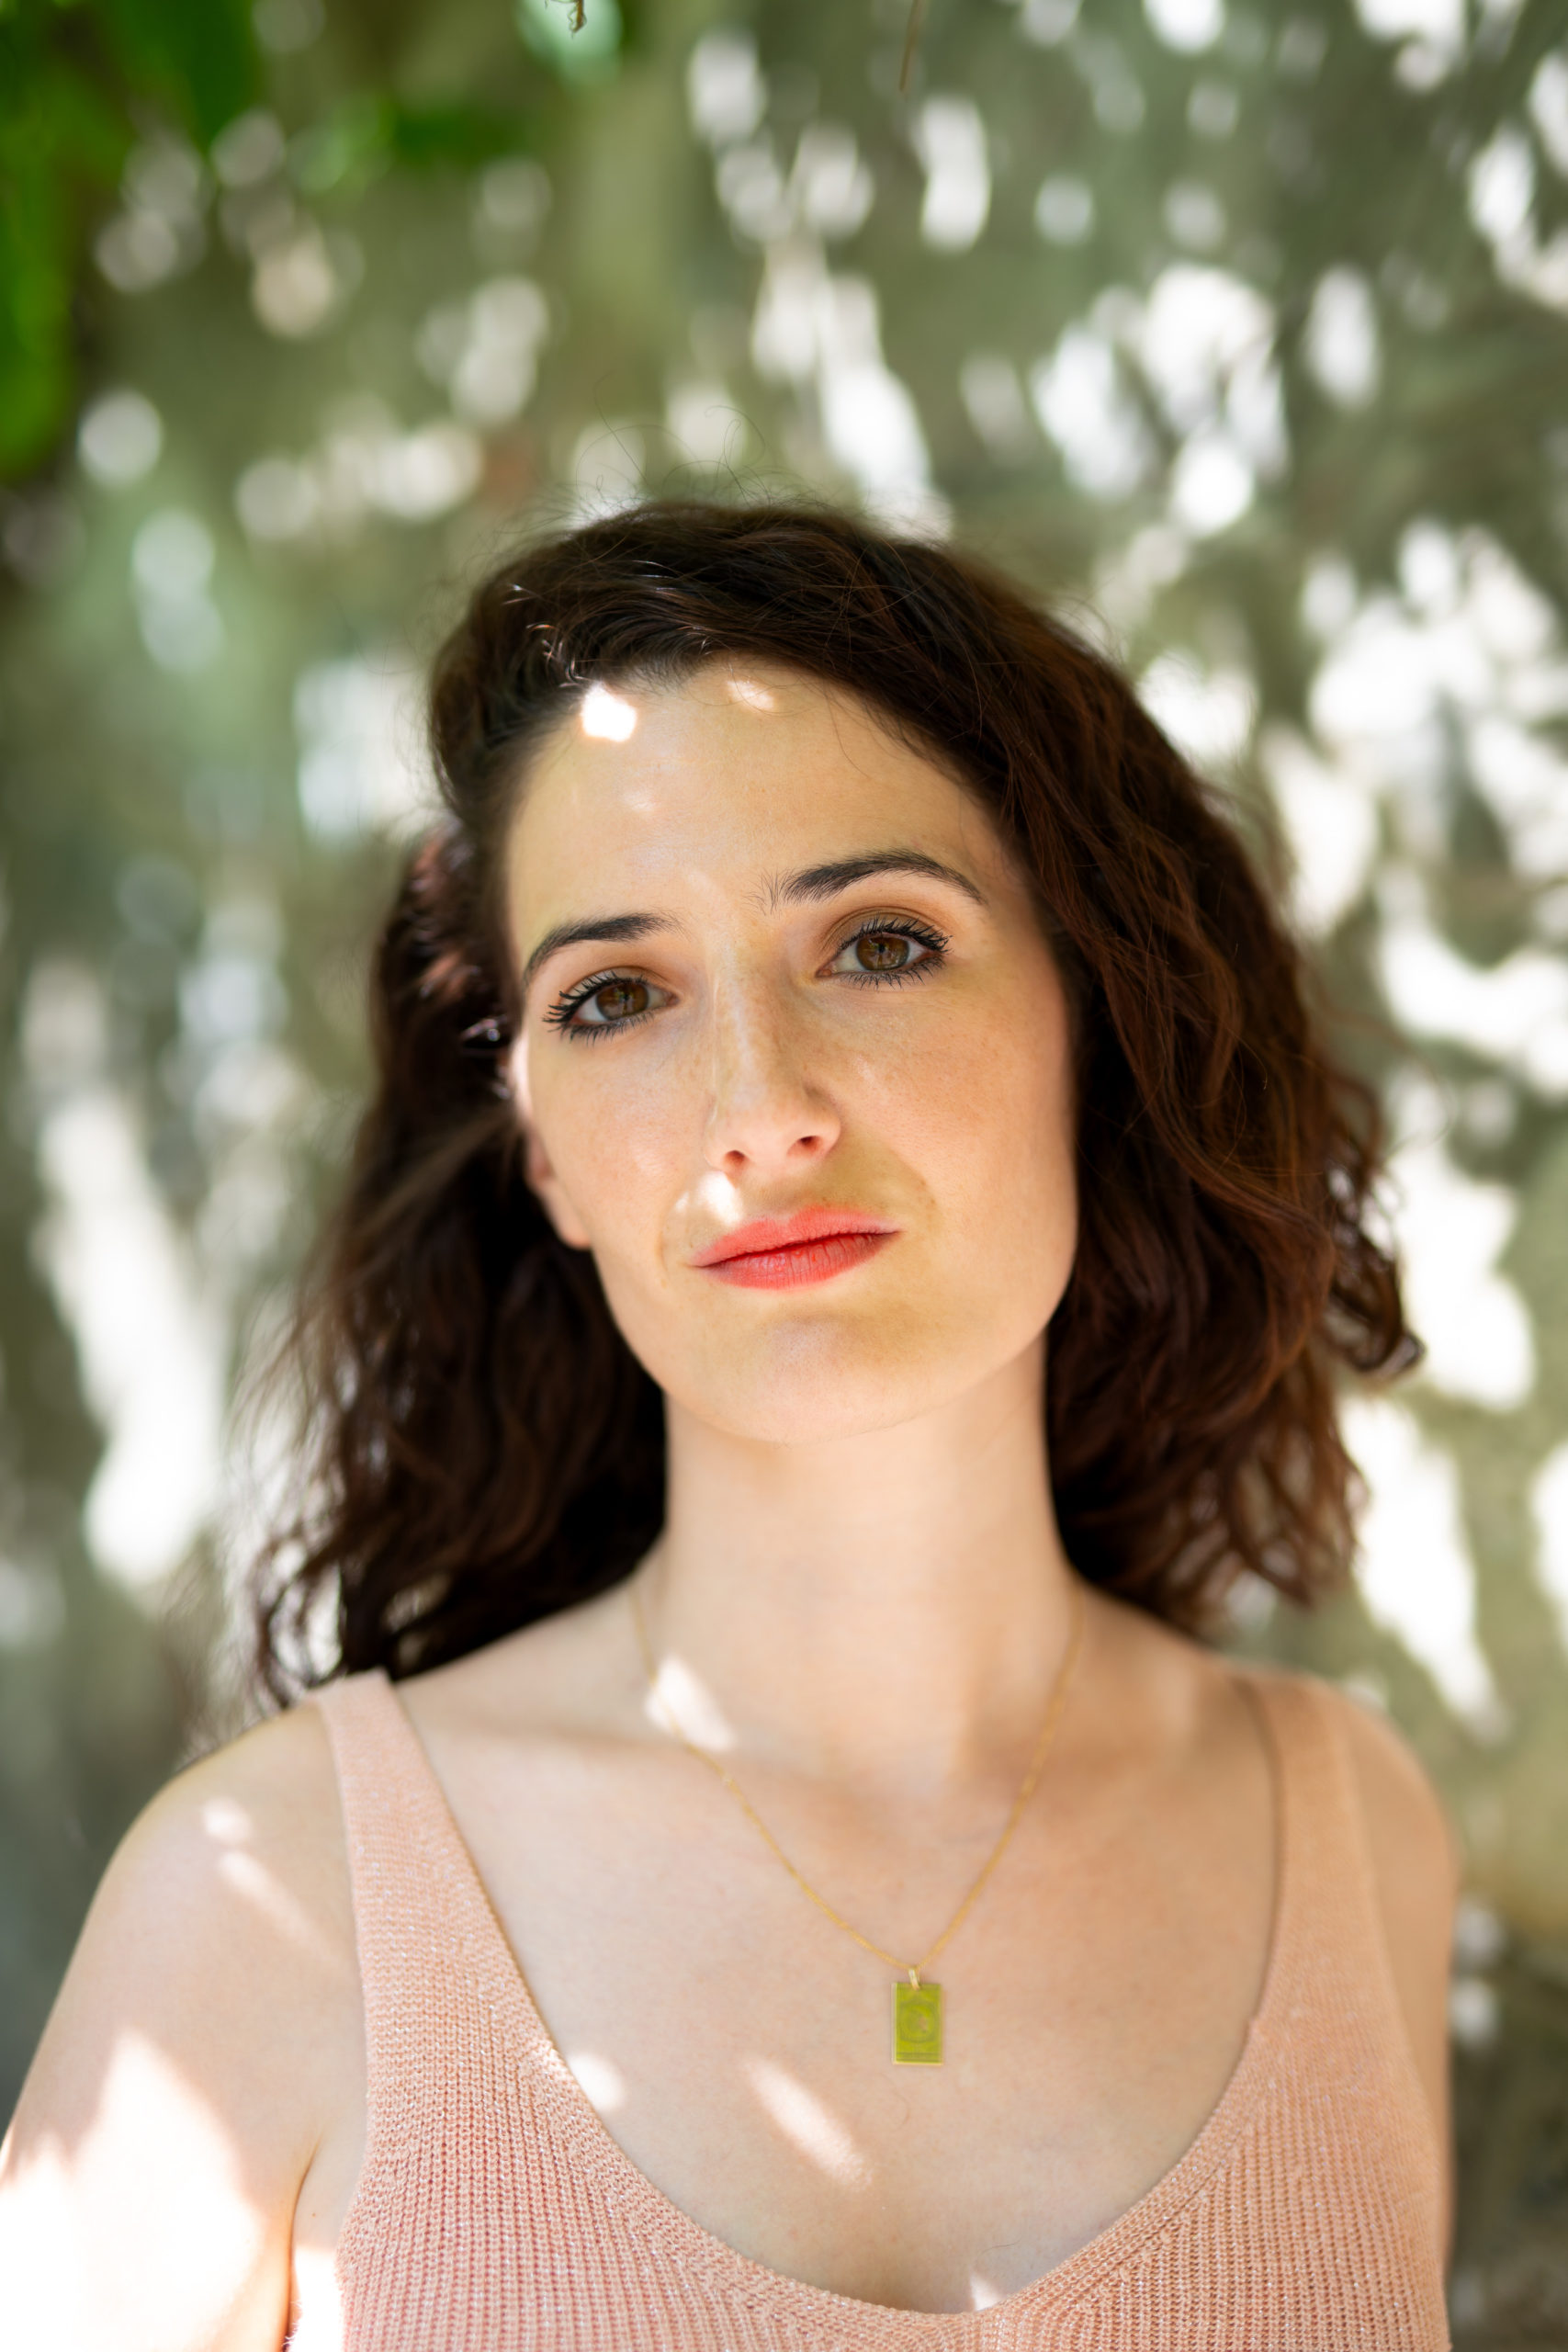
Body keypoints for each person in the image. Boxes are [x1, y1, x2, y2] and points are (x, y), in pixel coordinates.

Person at [0, 501, 1456, 2350]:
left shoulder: (1355, 1838)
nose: (760, 1110)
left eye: (878, 943)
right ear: (542, 1148)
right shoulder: (269, 1902)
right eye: (616, 996)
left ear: (1094, 1019)